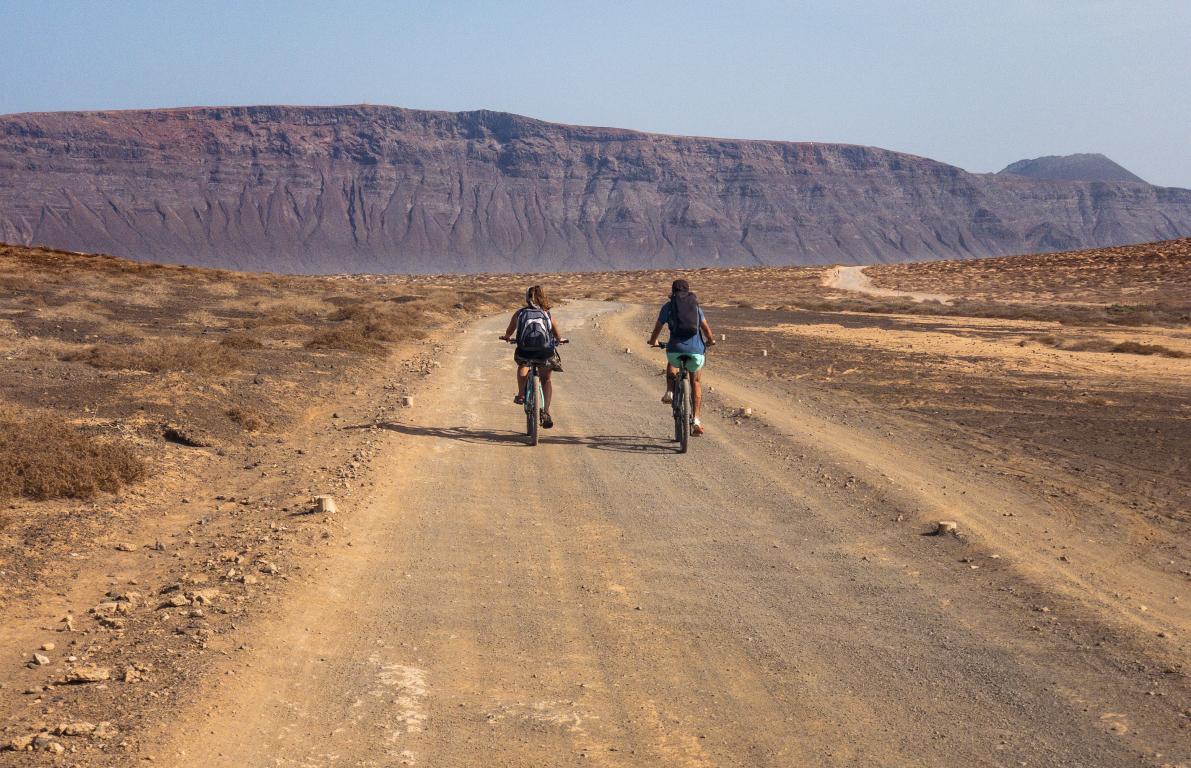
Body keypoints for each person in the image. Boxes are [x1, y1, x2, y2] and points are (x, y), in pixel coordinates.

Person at [647, 279, 715, 435]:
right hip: (696, 351)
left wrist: (653, 341)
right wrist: (710, 341)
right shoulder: (695, 306)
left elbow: (658, 327)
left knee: (672, 359)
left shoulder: (668, 306)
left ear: (673, 291)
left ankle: (670, 391)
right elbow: (706, 329)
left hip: (675, 350)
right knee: (696, 381)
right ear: (688, 290)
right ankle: (696, 420)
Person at [500, 285, 567, 428]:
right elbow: (557, 335)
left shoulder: (520, 314)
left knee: (522, 363)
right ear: (543, 297)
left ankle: (521, 395)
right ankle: (546, 412)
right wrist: (560, 340)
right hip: (544, 353)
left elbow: (509, 332)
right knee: (546, 379)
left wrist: (507, 337)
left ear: (527, 297)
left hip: (525, 351)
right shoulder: (547, 314)